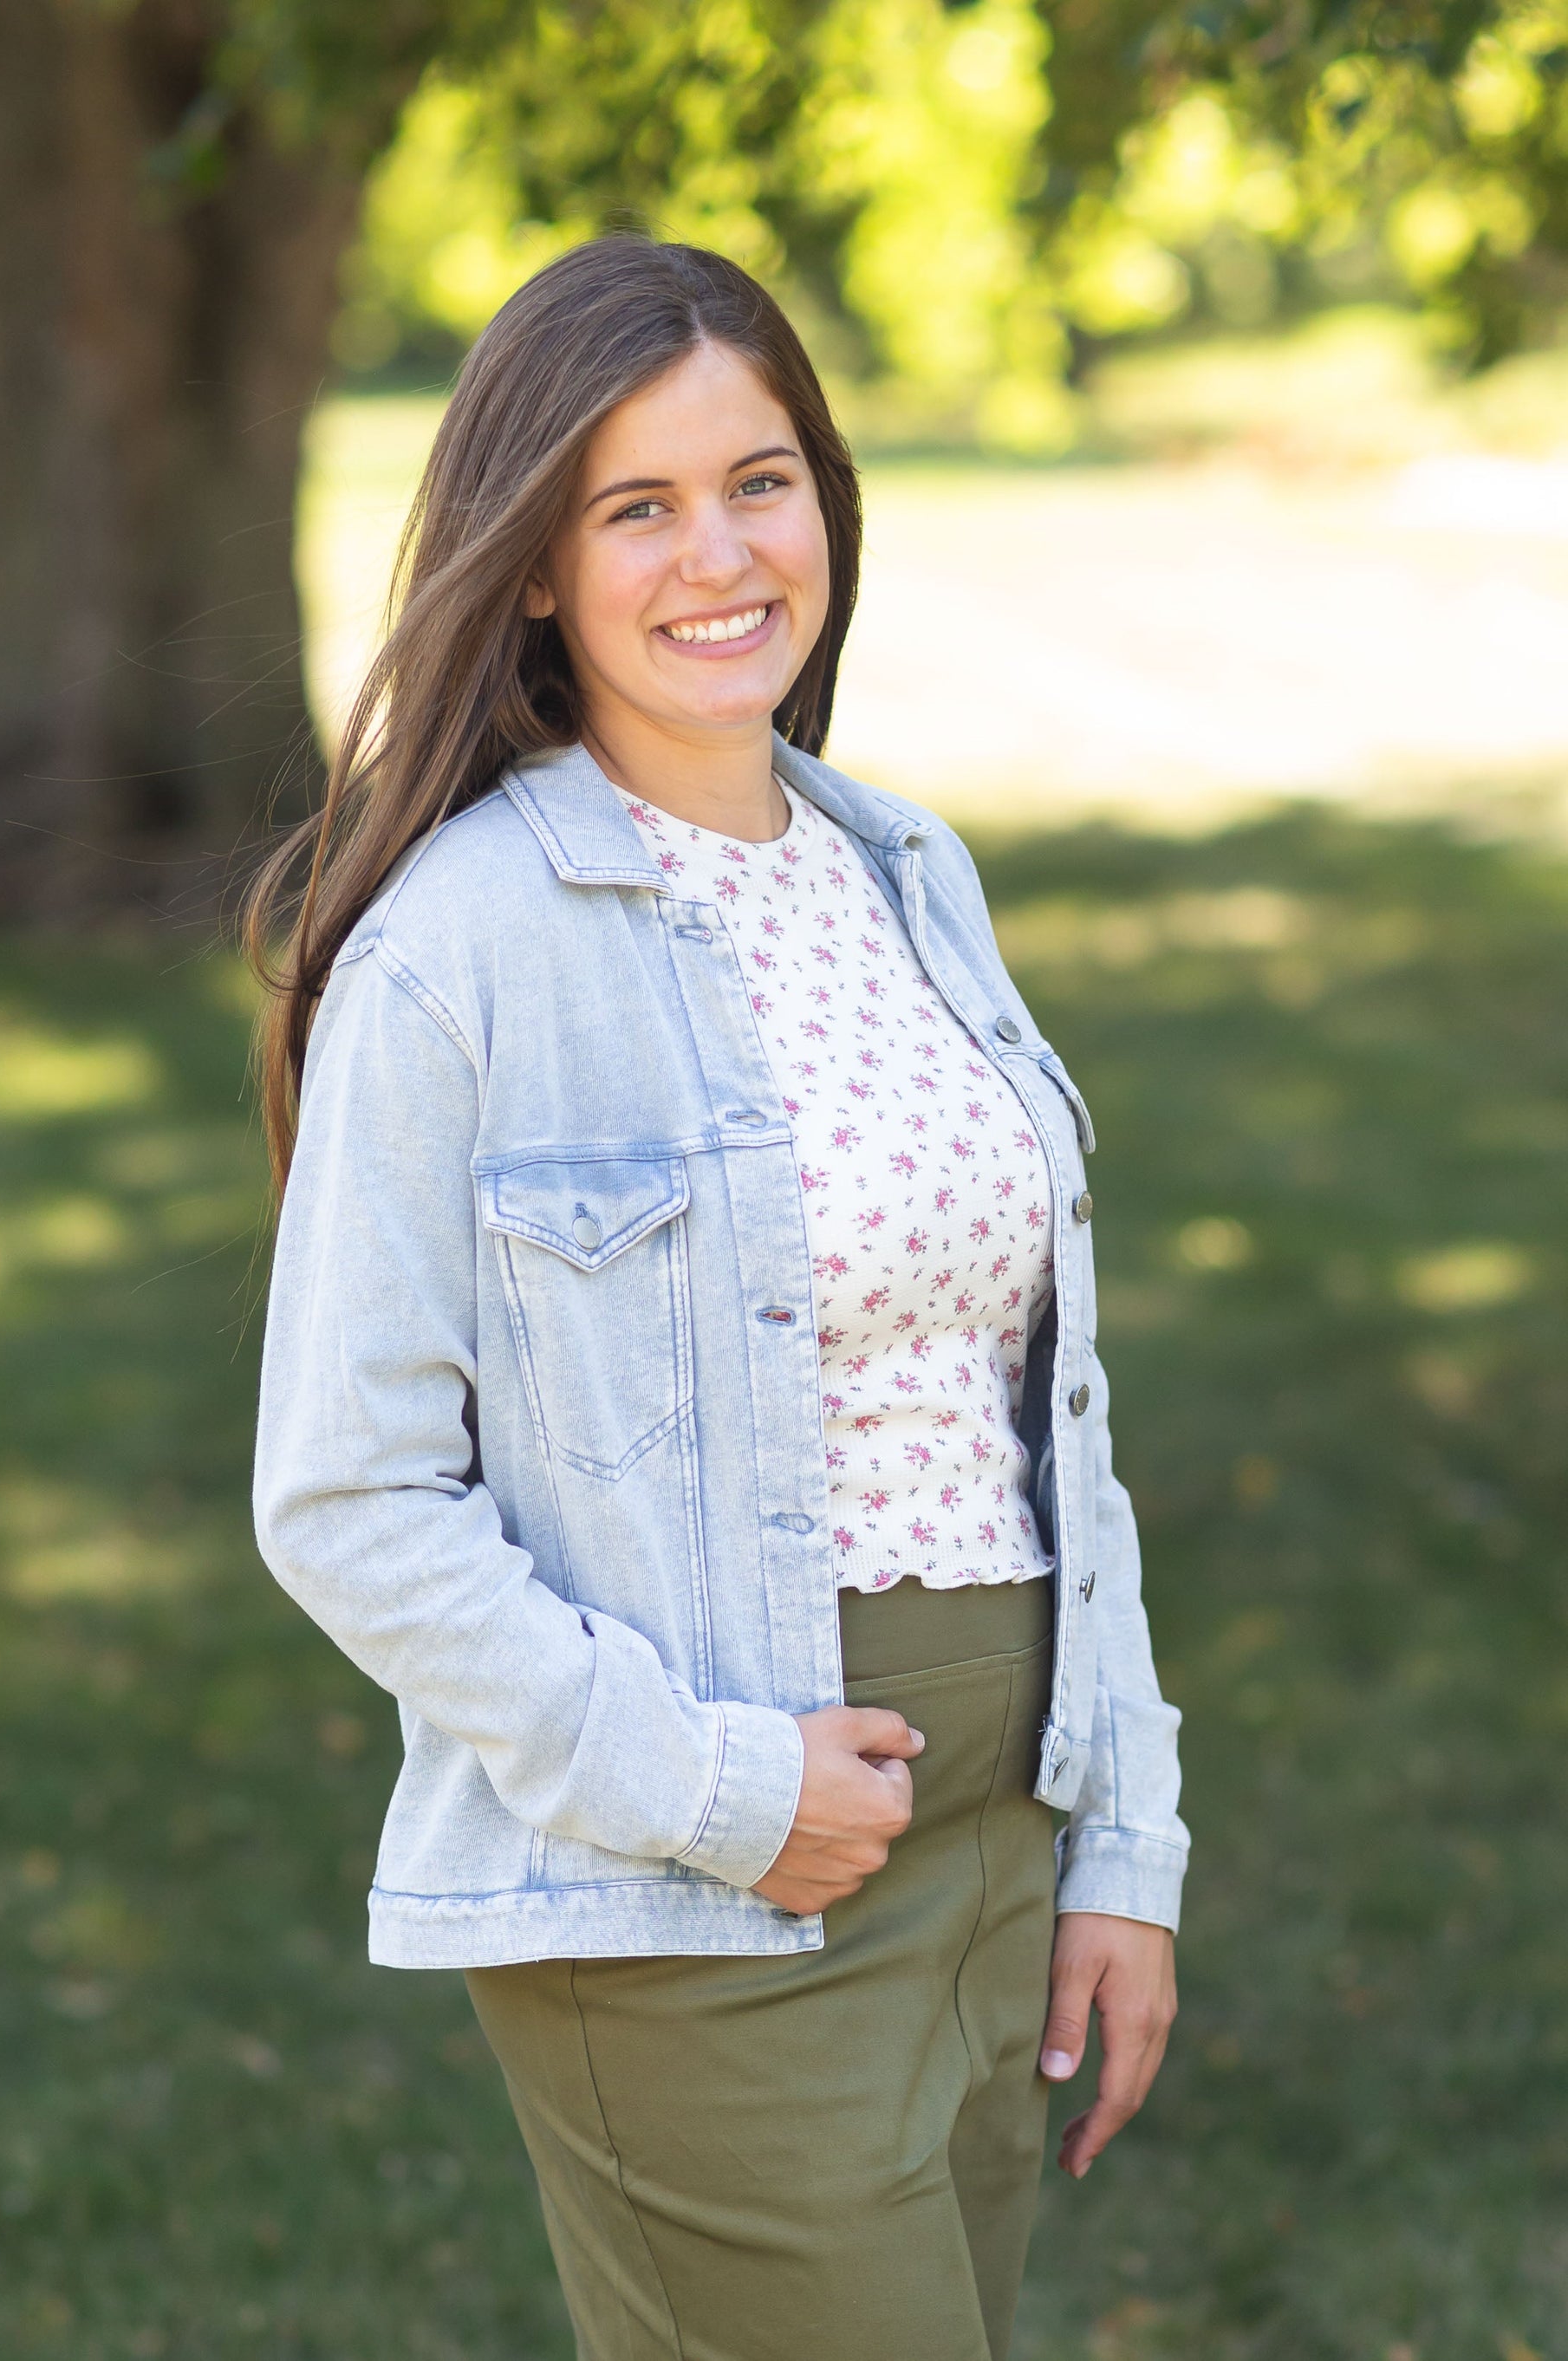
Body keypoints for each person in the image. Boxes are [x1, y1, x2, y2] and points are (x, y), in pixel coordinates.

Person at [246, 236, 1187, 2361]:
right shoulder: (454, 953)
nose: (719, 554)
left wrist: (1123, 1833)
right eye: (635, 506)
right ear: (536, 566)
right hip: (693, 1880)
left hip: (997, 1830)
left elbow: (1056, 1408)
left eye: (759, 481)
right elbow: (346, 1499)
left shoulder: (908, 873)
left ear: (827, 500)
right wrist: (714, 1791)